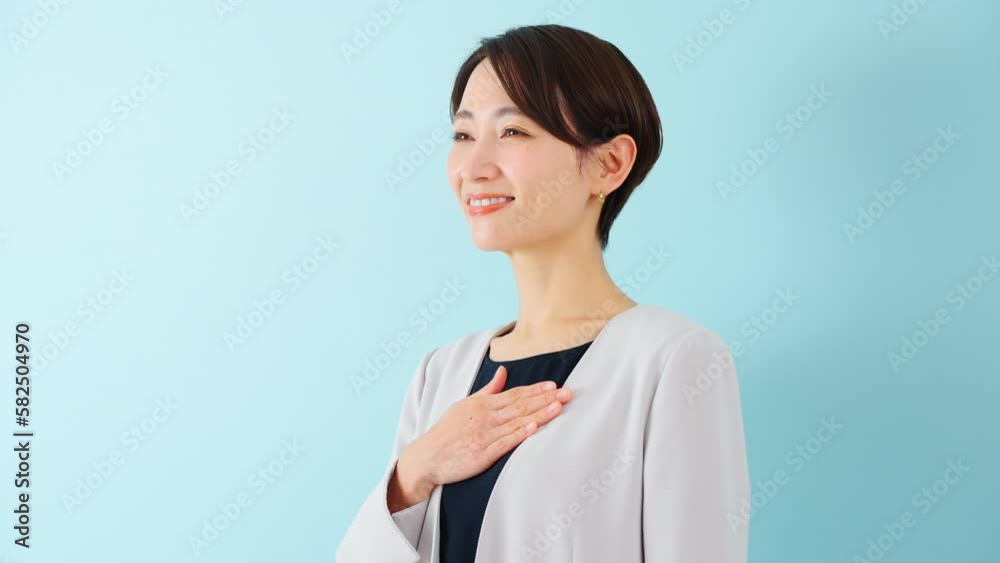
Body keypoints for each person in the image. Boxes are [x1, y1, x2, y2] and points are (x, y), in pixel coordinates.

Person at [337, 24, 750, 563]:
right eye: (463, 135)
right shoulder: (440, 373)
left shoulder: (674, 360)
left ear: (609, 164)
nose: (474, 169)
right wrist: (414, 472)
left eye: (512, 131)